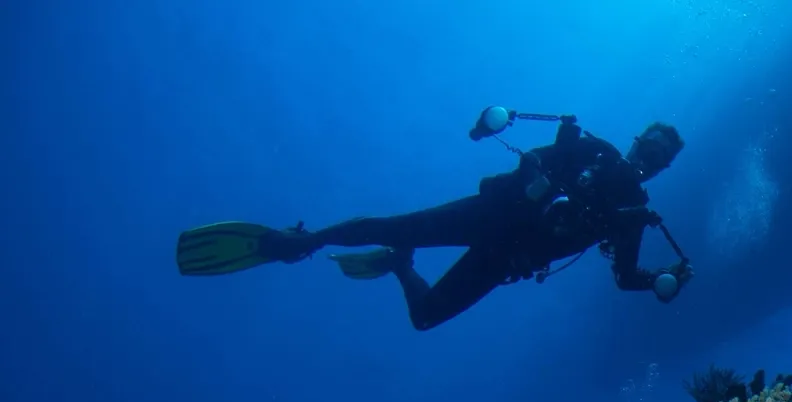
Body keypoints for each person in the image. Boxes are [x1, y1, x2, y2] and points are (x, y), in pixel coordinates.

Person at [177, 117, 691, 330]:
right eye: (650, 144)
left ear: (663, 168)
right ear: (636, 141)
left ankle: (402, 268)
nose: (650, 156)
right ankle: (299, 241)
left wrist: (661, 280)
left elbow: (624, 277)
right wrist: (538, 175)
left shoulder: (635, 212)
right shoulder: (593, 150)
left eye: (660, 156)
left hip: (506, 260)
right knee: (396, 225)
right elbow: (530, 158)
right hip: (493, 215)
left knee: (424, 318)